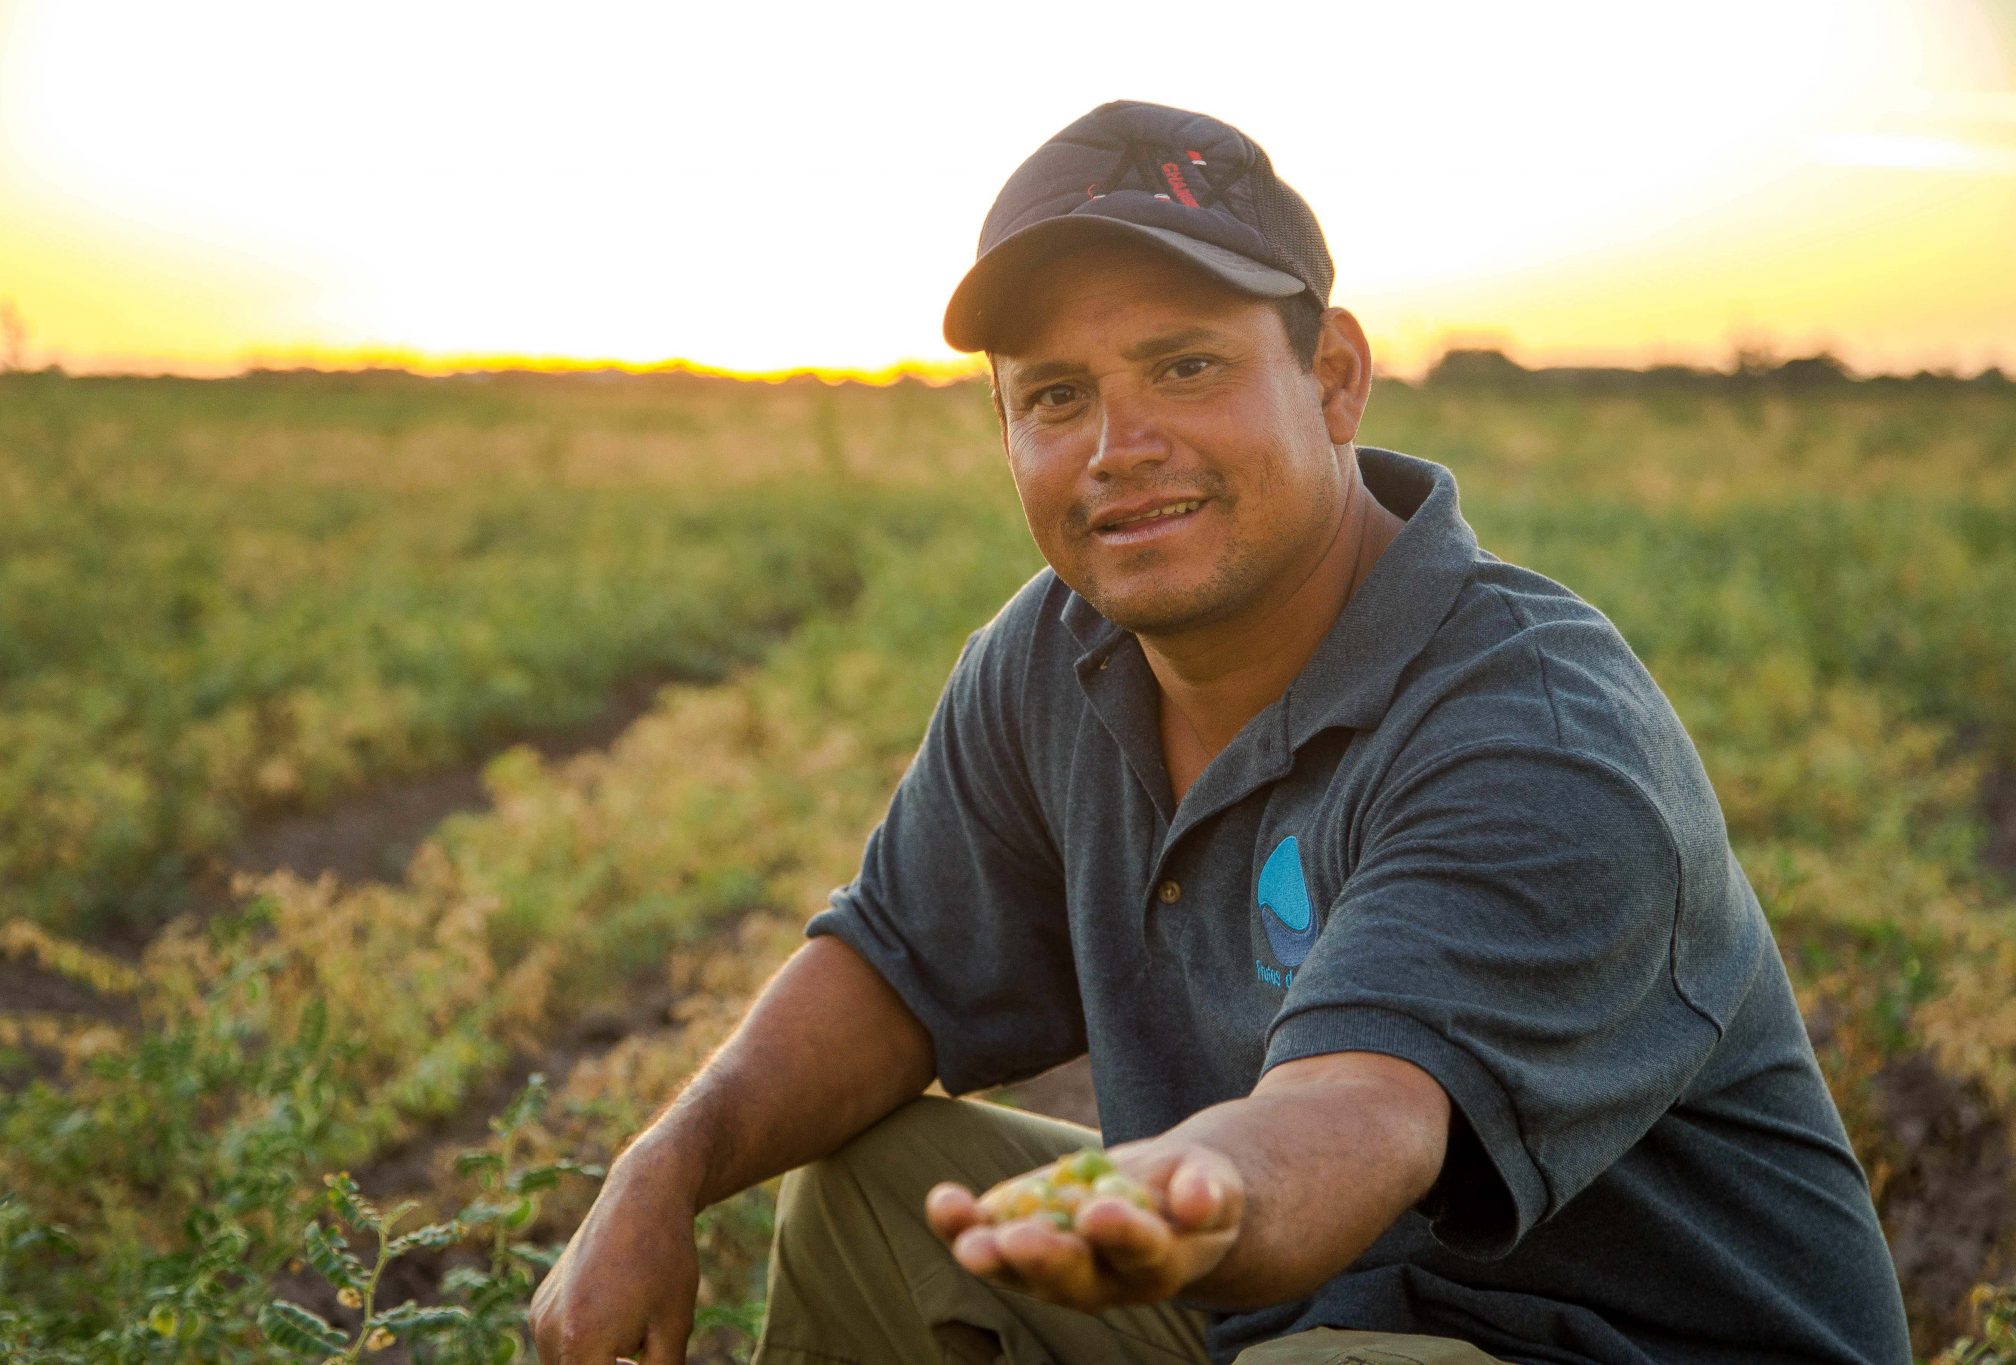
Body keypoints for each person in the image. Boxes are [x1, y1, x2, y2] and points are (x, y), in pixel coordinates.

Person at [532, 100, 1911, 1365]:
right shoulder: (1053, 659)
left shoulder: (1534, 727)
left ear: (1332, 379)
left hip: (1605, 1340)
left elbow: (1358, 1116)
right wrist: (660, 1166)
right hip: (1299, 1308)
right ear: (1003, 433)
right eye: (1057, 396)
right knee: (878, 1198)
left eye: (1184, 366)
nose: (1117, 444)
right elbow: (893, 968)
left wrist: (1203, 1192)